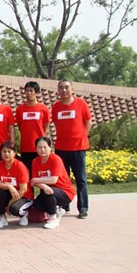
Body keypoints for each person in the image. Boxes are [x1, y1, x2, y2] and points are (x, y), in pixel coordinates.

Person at [51, 79, 92, 219]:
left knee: (81, 179)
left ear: (72, 89)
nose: (64, 90)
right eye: (61, 88)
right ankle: (64, 206)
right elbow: (56, 123)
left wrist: (81, 136)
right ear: (58, 91)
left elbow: (88, 122)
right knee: (63, 179)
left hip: (78, 148)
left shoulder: (81, 104)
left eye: (67, 87)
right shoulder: (56, 107)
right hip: (61, 148)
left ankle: (83, 208)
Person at [31, 137, 76, 229]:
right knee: (37, 205)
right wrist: (43, 185)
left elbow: (53, 180)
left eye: (45, 147)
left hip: (65, 192)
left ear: (50, 147)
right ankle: (58, 210)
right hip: (48, 191)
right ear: (36, 149)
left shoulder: (56, 159)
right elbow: (34, 182)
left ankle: (53, 218)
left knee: (47, 192)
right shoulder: (35, 161)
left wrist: (37, 181)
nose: (42, 150)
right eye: (39, 147)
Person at [0, 141, 32, 228]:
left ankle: (24, 214)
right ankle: (3, 218)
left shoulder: (20, 166)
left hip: (24, 196)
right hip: (10, 193)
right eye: (4, 151)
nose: (6, 154)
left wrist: (10, 204)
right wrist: (9, 186)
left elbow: (23, 189)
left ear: (15, 153)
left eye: (9, 151)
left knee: (14, 209)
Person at [15, 81, 50, 174]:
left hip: (40, 147)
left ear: (36, 92)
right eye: (27, 91)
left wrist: (41, 138)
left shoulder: (43, 108)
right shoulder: (20, 109)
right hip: (25, 147)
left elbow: (46, 126)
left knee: (41, 173)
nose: (29, 93)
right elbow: (20, 126)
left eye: (31, 91)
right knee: (27, 173)